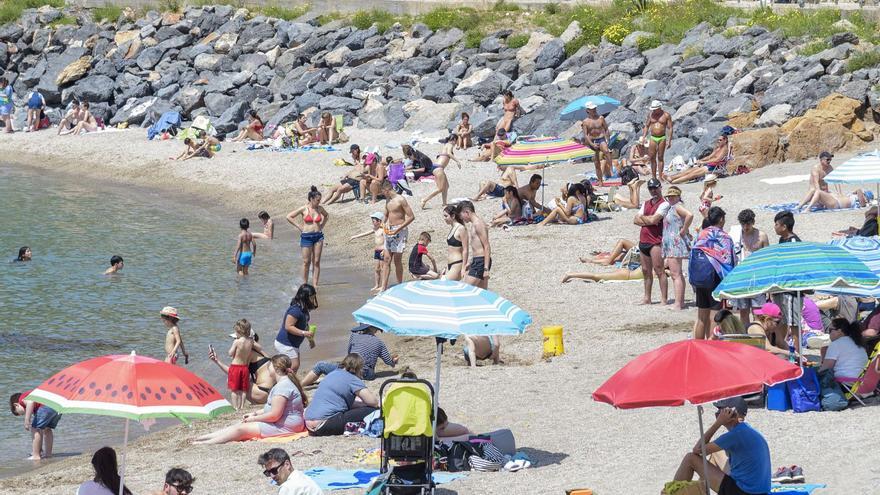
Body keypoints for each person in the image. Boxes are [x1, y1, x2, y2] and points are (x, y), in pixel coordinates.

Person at [194, 354, 308, 444]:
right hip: (284, 423)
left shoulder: (283, 387)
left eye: (269, 366)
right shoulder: (282, 384)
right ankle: (204, 437)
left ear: (275, 368)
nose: (268, 369)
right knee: (240, 424)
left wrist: (254, 419)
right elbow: (273, 408)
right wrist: (254, 413)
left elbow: (275, 415)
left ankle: (207, 443)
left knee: (241, 430)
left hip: (286, 426)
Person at [669, 397, 771, 495]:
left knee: (690, 458)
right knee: (717, 453)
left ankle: (672, 493)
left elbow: (697, 450)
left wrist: (717, 423)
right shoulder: (745, 430)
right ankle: (701, 490)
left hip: (743, 492)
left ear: (731, 413)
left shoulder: (735, 435)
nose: (716, 414)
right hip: (758, 491)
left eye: (720, 410)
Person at [304, 353, 379, 436]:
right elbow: (373, 402)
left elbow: (341, 402)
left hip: (308, 423)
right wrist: (365, 404)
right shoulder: (353, 379)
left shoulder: (331, 374)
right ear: (359, 368)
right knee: (371, 410)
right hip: (323, 425)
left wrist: (360, 404)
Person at [691, 207, 736, 340]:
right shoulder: (724, 236)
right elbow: (729, 260)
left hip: (700, 277)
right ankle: (711, 347)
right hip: (715, 277)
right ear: (721, 219)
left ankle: (698, 346)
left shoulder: (701, 233)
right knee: (713, 316)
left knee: (701, 317)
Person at [302, 324, 398, 386]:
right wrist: (394, 361)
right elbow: (388, 361)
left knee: (320, 366)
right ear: (376, 329)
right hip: (367, 373)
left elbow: (349, 355)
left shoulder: (354, 336)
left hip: (350, 367)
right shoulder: (379, 342)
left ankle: (301, 385)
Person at [209, 333, 277, 405]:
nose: (235, 341)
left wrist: (217, 361)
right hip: (272, 392)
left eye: (237, 339)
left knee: (231, 379)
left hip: (262, 393)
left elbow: (233, 374)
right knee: (246, 379)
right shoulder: (259, 352)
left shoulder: (248, 354)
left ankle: (244, 405)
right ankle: (255, 403)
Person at [633, 178, 669, 305]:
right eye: (651, 188)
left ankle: (664, 299)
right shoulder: (646, 203)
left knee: (659, 270)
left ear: (660, 187)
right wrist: (648, 220)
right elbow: (635, 220)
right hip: (644, 240)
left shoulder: (664, 204)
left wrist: (644, 218)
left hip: (656, 240)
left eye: (655, 188)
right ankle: (647, 298)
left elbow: (654, 220)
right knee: (645, 271)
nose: (653, 190)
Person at [729, 209, 769, 324]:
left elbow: (767, 259)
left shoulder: (761, 236)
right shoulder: (736, 235)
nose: (745, 227)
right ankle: (746, 336)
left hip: (757, 278)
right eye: (743, 224)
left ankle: (758, 336)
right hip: (742, 278)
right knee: (743, 312)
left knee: (758, 312)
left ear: (753, 222)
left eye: (748, 224)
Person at [772, 210, 804, 356]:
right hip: (781, 287)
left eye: (776, 224)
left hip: (792, 289)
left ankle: (797, 354)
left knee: (794, 323)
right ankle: (783, 348)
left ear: (784, 226)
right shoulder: (782, 240)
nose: (775, 227)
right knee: (781, 320)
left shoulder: (794, 242)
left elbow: (797, 266)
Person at [287, 187, 329, 287]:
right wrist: (299, 226)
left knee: (317, 261)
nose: (319, 202)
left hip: (318, 236)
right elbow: (289, 216)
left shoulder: (320, 209)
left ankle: (315, 285)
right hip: (306, 237)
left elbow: (326, 216)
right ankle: (304, 284)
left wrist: (322, 225)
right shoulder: (304, 209)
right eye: (317, 200)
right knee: (306, 262)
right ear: (311, 199)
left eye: (320, 200)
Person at [661, 186, 693, 310]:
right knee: (677, 274)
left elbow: (690, 215)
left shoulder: (677, 206)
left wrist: (684, 230)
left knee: (676, 274)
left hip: (675, 243)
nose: (671, 198)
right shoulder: (671, 207)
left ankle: (678, 304)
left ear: (678, 196)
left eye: (673, 196)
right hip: (672, 243)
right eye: (669, 196)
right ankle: (680, 302)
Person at [380, 179, 415, 291]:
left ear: (387, 189)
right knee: (386, 258)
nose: (382, 193)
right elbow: (386, 215)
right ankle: (383, 287)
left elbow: (411, 216)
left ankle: (400, 285)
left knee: (397, 260)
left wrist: (398, 229)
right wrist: (383, 224)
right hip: (389, 230)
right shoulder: (387, 200)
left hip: (400, 230)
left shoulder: (401, 200)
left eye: (382, 191)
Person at [274, 284, 318, 373]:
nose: (313, 300)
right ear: (305, 298)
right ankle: (283, 382)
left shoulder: (304, 309)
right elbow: (288, 326)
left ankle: (286, 381)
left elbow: (305, 325)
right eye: (312, 298)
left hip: (293, 343)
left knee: (292, 366)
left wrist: (311, 340)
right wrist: (304, 333)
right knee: (294, 366)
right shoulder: (295, 310)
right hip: (285, 343)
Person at [10, 390, 62, 460]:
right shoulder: (36, 405)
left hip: (46, 407)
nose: (25, 413)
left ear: (16, 405)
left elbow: (30, 402)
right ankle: (48, 454)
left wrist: (27, 419)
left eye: (21, 413)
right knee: (47, 429)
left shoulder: (22, 398)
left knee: (35, 429)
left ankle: (36, 455)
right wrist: (39, 448)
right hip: (57, 407)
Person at [667, 135, 731, 184]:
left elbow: (717, 159)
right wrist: (701, 160)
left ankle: (673, 182)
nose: (718, 141)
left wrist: (703, 163)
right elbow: (710, 156)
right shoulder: (718, 148)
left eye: (720, 140)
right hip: (710, 165)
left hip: (716, 168)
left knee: (693, 174)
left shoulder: (724, 149)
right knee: (689, 170)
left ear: (725, 141)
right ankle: (672, 178)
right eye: (718, 140)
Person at [562, 244, 643, 283]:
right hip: (626, 275)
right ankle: (571, 275)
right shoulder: (653, 271)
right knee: (595, 276)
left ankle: (571, 275)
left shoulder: (650, 268)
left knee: (595, 276)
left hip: (628, 271)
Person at [421, 134, 462, 209]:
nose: (456, 143)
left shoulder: (445, 145)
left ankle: (444, 203)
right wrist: (457, 161)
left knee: (446, 186)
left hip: (436, 167)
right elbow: (449, 153)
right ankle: (424, 199)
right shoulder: (450, 145)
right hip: (439, 168)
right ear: (454, 140)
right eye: (456, 141)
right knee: (440, 188)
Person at [258, 448, 322, 495]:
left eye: (274, 470)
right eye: (268, 473)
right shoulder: (301, 476)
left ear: (287, 464)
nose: (272, 476)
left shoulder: (288, 487)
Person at [350, 212, 387, 292]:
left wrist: (384, 250)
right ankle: (377, 285)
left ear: (379, 221)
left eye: (373, 221)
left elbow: (386, 241)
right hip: (376, 251)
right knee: (376, 269)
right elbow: (365, 234)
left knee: (382, 268)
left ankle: (383, 285)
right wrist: (354, 237)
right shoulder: (375, 229)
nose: (372, 223)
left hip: (382, 251)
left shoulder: (383, 230)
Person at [459, 201, 492, 289]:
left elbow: (486, 246)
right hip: (478, 261)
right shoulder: (474, 224)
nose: (462, 219)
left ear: (467, 212)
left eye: (461, 216)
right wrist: (471, 262)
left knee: (466, 289)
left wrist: (485, 269)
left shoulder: (478, 224)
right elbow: (477, 246)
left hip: (481, 262)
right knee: (482, 293)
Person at [227, 319, 257, 410]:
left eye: (236, 332)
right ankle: (242, 406)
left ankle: (235, 407)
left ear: (239, 331)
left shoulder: (237, 341)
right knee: (244, 389)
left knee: (234, 389)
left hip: (235, 367)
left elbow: (230, 353)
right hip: (244, 367)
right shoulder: (250, 341)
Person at [581, 101, 613, 187]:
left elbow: (606, 129)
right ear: (588, 110)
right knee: (597, 163)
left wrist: (608, 138)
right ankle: (600, 180)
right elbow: (586, 135)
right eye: (592, 109)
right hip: (592, 141)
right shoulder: (585, 122)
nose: (594, 110)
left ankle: (611, 169)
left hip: (601, 138)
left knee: (606, 151)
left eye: (594, 108)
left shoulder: (601, 118)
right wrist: (591, 144)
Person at [642, 100, 672, 179]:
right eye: (653, 109)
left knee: (660, 157)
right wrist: (644, 136)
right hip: (653, 137)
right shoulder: (651, 115)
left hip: (662, 137)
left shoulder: (666, 115)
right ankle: (654, 176)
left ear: (659, 108)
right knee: (652, 157)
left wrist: (669, 140)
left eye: (655, 109)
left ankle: (660, 176)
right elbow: (647, 126)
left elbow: (670, 128)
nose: (654, 110)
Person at [443, 204, 469, 281]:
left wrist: (464, 267)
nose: (444, 219)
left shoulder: (461, 228)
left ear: (453, 216)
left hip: (457, 263)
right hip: (449, 264)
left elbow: (465, 249)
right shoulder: (453, 228)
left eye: (446, 216)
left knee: (445, 285)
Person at [800, 188, 869, 212]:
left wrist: (859, 192)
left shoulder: (862, 202)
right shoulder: (855, 196)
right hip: (834, 200)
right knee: (813, 190)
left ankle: (808, 208)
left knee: (818, 192)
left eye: (864, 194)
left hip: (836, 204)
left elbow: (859, 190)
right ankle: (800, 206)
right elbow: (858, 191)